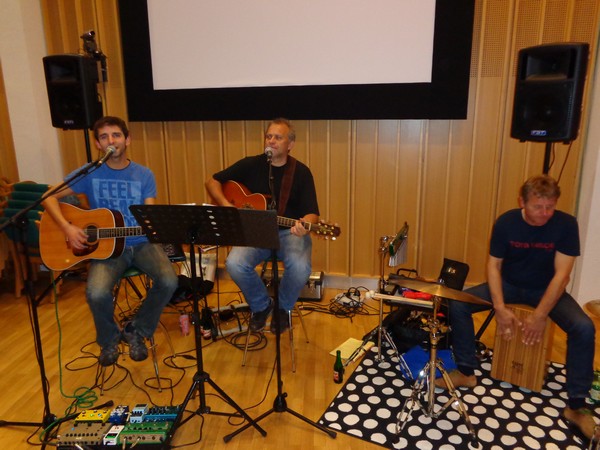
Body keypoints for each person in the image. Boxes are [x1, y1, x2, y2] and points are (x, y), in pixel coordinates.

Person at [436, 174, 597, 440]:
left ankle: (576, 406)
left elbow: (562, 276)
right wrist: (499, 307)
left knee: (584, 327)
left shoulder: (566, 225)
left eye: (550, 207)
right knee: (458, 303)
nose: (544, 213)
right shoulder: (507, 222)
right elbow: (494, 266)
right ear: (522, 201)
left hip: (547, 289)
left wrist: (540, 315)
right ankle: (465, 371)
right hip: (509, 284)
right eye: (538, 206)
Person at [42, 116, 178, 366]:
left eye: (116, 135)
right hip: (107, 248)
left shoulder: (144, 175)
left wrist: (159, 227)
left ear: (127, 140)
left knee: (169, 281)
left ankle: (137, 330)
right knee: (95, 292)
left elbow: (149, 217)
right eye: (104, 137)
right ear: (97, 144)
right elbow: (48, 196)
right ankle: (108, 340)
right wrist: (67, 227)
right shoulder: (90, 172)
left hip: (141, 243)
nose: (111, 141)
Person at [205, 118, 319, 334]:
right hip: (256, 232)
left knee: (300, 268)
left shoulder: (301, 172)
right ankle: (261, 306)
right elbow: (212, 182)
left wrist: (305, 225)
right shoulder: (250, 164)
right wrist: (227, 206)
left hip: (290, 233)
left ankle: (282, 309)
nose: (271, 141)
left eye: (278, 137)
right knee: (234, 263)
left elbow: (312, 213)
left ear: (290, 144)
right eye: (269, 136)